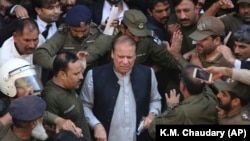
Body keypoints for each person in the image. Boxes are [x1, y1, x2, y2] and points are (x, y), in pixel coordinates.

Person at [80, 35, 162, 141]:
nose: (125, 62)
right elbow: (84, 105)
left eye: (129, 57)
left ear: (135, 55)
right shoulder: (94, 75)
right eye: (121, 57)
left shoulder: (147, 73)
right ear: (112, 54)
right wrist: (96, 125)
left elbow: (155, 100)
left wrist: (151, 116)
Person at [0, 58, 84, 139]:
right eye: (24, 86)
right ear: (9, 87)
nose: (31, 89)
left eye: (30, 83)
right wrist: (22, 105)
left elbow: (40, 114)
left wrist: (59, 121)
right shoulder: (2, 108)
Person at [148, 64, 219, 139]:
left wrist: (171, 107)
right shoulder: (212, 99)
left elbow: (153, 130)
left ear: (183, 86)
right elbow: (204, 85)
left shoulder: (181, 112)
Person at [41, 51, 92, 141]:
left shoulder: (69, 83)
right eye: (76, 74)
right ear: (62, 75)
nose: (81, 77)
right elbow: (51, 131)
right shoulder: (51, 96)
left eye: (81, 72)